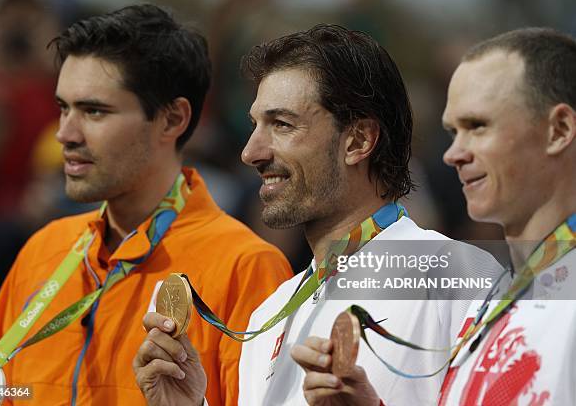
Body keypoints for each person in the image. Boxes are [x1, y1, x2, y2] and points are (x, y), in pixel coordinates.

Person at [134, 24, 501, 406]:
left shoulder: (456, 275)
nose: (251, 152)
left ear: (358, 141)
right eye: (255, 125)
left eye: (282, 124)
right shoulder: (269, 314)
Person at [0, 4, 292, 406]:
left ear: (172, 119)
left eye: (94, 111)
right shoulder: (43, 250)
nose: (64, 134)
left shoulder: (246, 269)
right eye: (63, 108)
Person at [437, 27, 576, 405]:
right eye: (452, 131)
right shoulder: (491, 299)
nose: (453, 154)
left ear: (558, 130)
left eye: (477, 126)